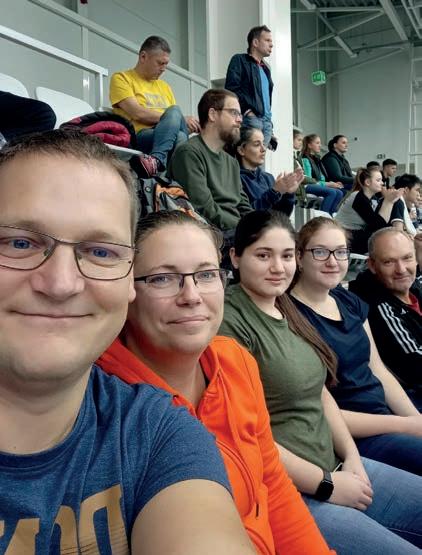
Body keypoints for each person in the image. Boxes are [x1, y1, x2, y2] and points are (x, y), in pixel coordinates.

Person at [0, 129, 256, 554]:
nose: (61, 283)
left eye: (100, 252)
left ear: (127, 281)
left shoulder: (158, 434)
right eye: (20, 243)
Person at [98, 211, 334, 555]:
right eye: (163, 278)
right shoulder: (100, 405)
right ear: (127, 291)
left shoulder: (236, 361)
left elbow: (272, 483)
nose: (191, 295)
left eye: (206, 274)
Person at [219, 210, 422, 553]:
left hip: (339, 462)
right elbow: (246, 435)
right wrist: (327, 484)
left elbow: (322, 394)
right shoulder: (231, 320)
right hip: (298, 490)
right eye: (263, 255)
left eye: (285, 255)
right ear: (236, 257)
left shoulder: (285, 309)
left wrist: (352, 457)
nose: (278, 267)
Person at [289, 216, 422, 476]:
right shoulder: (290, 315)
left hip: (387, 417)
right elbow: (321, 410)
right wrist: (404, 425)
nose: (332, 261)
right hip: (354, 436)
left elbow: (377, 369)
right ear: (299, 257)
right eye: (320, 252)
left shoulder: (347, 300)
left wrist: (414, 420)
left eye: (340, 252)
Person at [349, 228, 422, 410]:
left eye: (407, 258)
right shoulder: (375, 303)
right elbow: (416, 366)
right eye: (389, 262)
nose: (401, 269)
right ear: (372, 265)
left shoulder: (414, 289)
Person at [110, 35, 200, 177]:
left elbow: (173, 126)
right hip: (138, 136)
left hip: (165, 138)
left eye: (166, 64)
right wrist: (178, 119)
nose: (163, 69)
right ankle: (173, 174)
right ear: (143, 57)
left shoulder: (165, 87)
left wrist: (189, 125)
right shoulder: (121, 78)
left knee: (181, 135)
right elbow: (137, 113)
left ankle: (157, 162)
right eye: (160, 63)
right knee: (175, 113)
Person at [168, 89, 252, 232]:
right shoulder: (189, 153)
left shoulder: (231, 162)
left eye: (240, 114)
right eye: (234, 113)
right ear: (212, 114)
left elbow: (243, 206)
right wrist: (244, 229)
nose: (240, 120)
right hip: (209, 233)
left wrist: (259, 226)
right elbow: (204, 210)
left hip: (235, 232)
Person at [225, 25, 274, 146]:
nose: (271, 44)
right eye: (267, 40)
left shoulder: (266, 69)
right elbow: (232, 89)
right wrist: (247, 111)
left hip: (266, 123)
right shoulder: (240, 60)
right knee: (245, 156)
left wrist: (270, 124)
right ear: (255, 42)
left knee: (259, 157)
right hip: (250, 119)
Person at [236, 126, 302, 215]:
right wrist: (274, 191)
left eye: (263, 144)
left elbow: (282, 216)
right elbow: (247, 216)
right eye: (257, 144)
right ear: (241, 150)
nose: (263, 149)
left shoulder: (268, 177)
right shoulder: (236, 179)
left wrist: (288, 194)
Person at [335, 167, 402, 254]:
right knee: (384, 237)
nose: (382, 183)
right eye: (378, 180)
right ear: (367, 182)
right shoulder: (358, 197)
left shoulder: (370, 198)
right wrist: (388, 201)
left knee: (388, 233)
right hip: (345, 237)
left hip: (356, 235)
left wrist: (390, 201)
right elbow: (378, 225)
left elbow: (379, 223)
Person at [295, 131, 342, 214]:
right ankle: (323, 217)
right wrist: (328, 184)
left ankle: (330, 216)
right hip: (306, 185)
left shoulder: (317, 159)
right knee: (331, 192)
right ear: (309, 145)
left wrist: (331, 183)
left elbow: (322, 178)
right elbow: (308, 180)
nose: (320, 145)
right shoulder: (305, 158)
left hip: (317, 184)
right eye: (317, 143)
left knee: (339, 193)